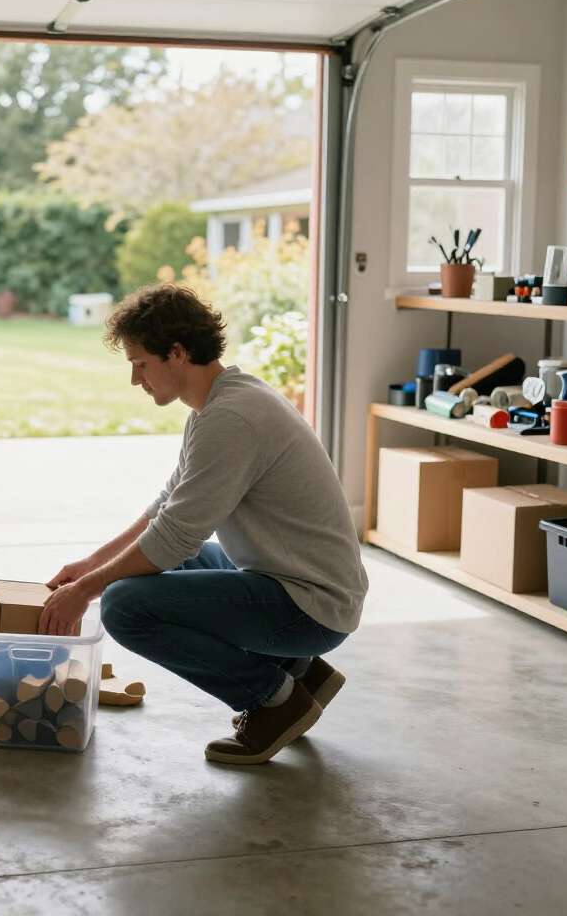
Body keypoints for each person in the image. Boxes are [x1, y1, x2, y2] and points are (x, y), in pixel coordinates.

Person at [38, 283, 368, 764]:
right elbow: (167, 508)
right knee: (158, 563)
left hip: (311, 606)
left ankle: (274, 700)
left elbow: (173, 537)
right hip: (302, 586)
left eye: (140, 364)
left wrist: (86, 590)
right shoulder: (220, 404)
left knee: (126, 606)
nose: (135, 380)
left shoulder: (232, 418)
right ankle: (299, 670)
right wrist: (90, 563)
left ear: (176, 352)